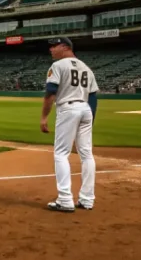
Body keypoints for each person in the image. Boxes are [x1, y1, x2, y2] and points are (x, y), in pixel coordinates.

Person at [40, 37, 98, 212]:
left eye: (54, 46)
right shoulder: (86, 67)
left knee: (61, 153)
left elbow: (50, 93)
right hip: (86, 108)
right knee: (87, 154)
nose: (51, 50)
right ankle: (87, 199)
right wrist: (90, 122)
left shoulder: (58, 66)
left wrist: (44, 117)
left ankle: (65, 199)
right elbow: (93, 97)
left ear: (65, 47)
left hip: (69, 109)